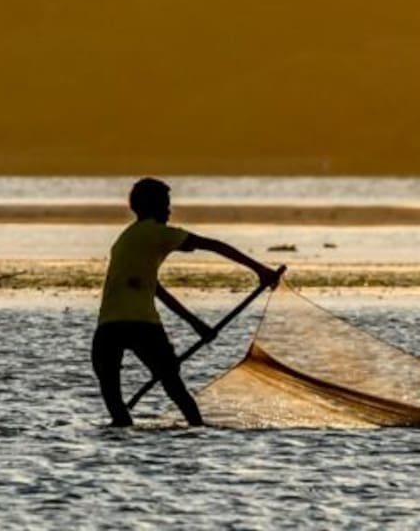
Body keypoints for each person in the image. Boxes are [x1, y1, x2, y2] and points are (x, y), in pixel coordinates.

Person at [93, 177, 281, 427]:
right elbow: (212, 245)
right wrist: (260, 270)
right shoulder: (158, 233)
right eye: (165, 205)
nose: (169, 211)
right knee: (178, 392)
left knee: (117, 408)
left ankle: (123, 449)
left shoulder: (126, 239)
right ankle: (197, 434)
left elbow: (154, 289)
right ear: (153, 207)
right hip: (142, 326)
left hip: (107, 330)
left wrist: (196, 324)